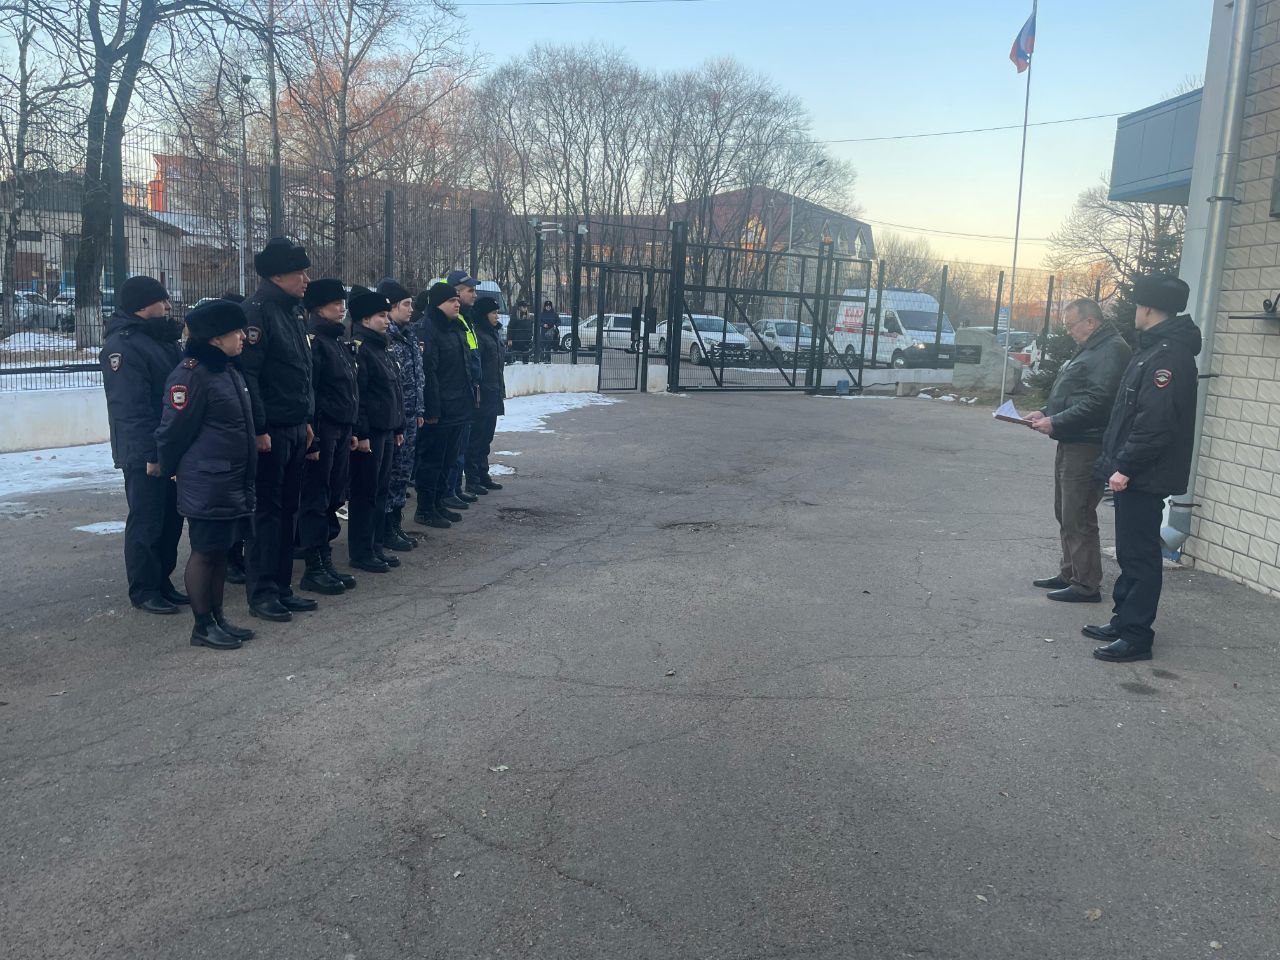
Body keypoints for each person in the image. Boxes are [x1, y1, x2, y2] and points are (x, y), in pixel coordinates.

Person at [1088, 274, 1200, 663]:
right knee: (1130, 551)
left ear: (1148, 308)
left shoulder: (1167, 357)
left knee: (1140, 556)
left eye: (1137, 305)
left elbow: (1156, 423)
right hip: (1136, 469)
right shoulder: (1153, 349)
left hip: (1143, 473)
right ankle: (1123, 620)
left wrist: (1126, 466)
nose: (1135, 311)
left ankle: (1136, 635)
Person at [154, 300, 258, 650]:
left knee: (220, 551)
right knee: (205, 552)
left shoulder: (226, 369)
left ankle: (218, 618)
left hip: (229, 479)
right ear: (215, 338)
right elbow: (172, 431)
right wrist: (170, 468)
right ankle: (202, 626)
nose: (243, 337)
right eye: (236, 331)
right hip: (208, 479)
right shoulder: (191, 374)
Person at [1025, 299, 1131, 604]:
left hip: (1088, 443)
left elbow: (1100, 401)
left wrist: (1056, 420)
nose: (1069, 331)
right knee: (1065, 509)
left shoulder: (1111, 349)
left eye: (1071, 325)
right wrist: (1046, 412)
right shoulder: (1092, 346)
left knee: (1078, 512)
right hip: (1072, 438)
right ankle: (1070, 572)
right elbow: (1076, 393)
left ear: (1091, 322)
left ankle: (1085, 584)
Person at [237, 237, 316, 623]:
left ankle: (283, 587)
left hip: (296, 425)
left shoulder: (292, 312)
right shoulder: (256, 313)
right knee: (266, 514)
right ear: (278, 275)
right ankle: (263, 592)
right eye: (300, 272)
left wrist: (308, 419)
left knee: (289, 511)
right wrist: (260, 427)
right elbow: (249, 376)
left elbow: (302, 371)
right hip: (271, 432)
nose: (306, 279)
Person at [99, 275, 187, 615]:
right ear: (141, 305)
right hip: (145, 452)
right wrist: (152, 453)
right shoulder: (123, 347)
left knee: (171, 520)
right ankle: (144, 588)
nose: (168, 306)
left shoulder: (160, 339)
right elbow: (131, 409)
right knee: (147, 519)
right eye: (161, 300)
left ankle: (162, 581)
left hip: (169, 446)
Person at [297, 278, 358, 595]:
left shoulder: (336, 339)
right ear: (318, 307)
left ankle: (324, 557)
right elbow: (311, 391)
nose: (342, 308)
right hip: (323, 429)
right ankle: (314, 565)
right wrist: (315, 437)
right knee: (316, 498)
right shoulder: (316, 341)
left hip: (341, 428)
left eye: (342, 303)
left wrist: (351, 428)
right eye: (335, 303)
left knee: (333, 495)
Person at [347, 288, 405, 573]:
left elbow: (394, 390)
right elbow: (359, 396)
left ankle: (376, 545)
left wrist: (398, 425)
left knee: (381, 491)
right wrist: (362, 433)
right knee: (365, 493)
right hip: (370, 434)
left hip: (386, 429)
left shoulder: (382, 347)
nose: (387, 320)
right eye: (381, 316)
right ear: (365, 319)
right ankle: (361, 551)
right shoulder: (361, 349)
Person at [414, 283, 475, 529]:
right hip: (439, 411)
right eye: (451, 301)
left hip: (458, 407)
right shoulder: (428, 329)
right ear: (438, 304)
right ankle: (425, 509)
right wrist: (432, 409)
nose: (457, 304)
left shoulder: (456, 327)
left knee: (448, 460)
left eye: (457, 300)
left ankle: (438, 503)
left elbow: (464, 368)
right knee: (432, 461)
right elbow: (428, 372)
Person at [378, 277, 424, 551]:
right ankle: (385, 527)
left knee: (403, 473)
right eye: (406, 304)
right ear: (392, 306)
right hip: (394, 418)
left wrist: (419, 409)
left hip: (410, 416)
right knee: (392, 474)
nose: (411, 309)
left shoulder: (408, 334)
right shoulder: (387, 337)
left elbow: (417, 377)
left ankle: (395, 522)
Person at [444, 270, 482, 509]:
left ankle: (455, 488)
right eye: (470, 290)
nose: (474, 295)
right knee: (454, 448)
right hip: (456, 392)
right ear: (457, 292)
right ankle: (449, 490)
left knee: (462, 445)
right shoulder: (453, 320)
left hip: (468, 389)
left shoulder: (466, 318)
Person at [465, 296, 507, 495]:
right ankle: (472, 479)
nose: (497, 316)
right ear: (484, 314)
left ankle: (483, 474)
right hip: (482, 394)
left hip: (493, 392)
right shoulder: (478, 334)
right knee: (476, 438)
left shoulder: (493, 333)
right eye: (493, 312)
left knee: (487, 437)